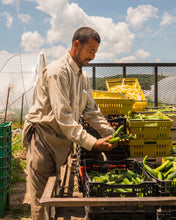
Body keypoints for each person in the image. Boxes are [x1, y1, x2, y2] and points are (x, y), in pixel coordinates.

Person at [22, 26, 127, 220]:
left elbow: (91, 111)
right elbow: (64, 118)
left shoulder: (82, 76)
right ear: (77, 45)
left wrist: (111, 132)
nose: (93, 57)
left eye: (95, 52)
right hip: (42, 140)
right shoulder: (57, 72)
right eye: (91, 51)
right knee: (40, 199)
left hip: (60, 139)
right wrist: (93, 142)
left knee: (51, 192)